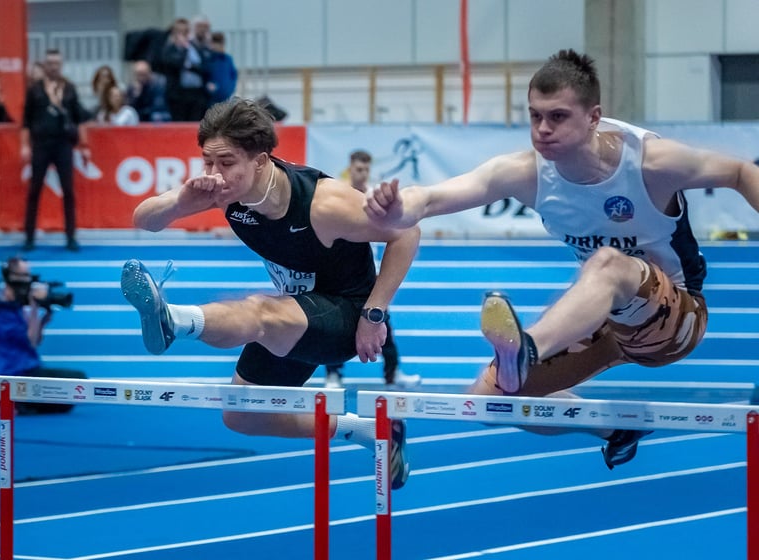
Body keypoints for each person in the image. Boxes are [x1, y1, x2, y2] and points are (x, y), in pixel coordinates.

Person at [365, 49, 759, 469]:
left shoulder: (650, 162)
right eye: (535, 116)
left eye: (557, 117)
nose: (543, 129)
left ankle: (527, 350)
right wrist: (395, 208)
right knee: (486, 402)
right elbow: (431, 198)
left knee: (608, 263)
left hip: (675, 318)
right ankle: (614, 430)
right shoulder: (526, 173)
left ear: (594, 117)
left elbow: (739, 172)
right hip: (607, 323)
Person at [121, 97, 420, 489]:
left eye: (226, 163)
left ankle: (174, 319)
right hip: (297, 317)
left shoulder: (323, 204)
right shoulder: (220, 189)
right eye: (207, 162)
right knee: (242, 414)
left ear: (261, 161)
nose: (214, 174)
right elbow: (144, 219)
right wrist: (181, 201)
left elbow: (407, 231)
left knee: (260, 312)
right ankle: (368, 431)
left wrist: (374, 313)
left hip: (345, 316)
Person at [324, 150, 421, 390]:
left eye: (366, 169)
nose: (362, 173)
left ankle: (393, 374)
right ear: (350, 167)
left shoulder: (372, 198)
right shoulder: (336, 195)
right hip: (340, 272)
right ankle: (333, 375)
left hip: (369, 272)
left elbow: (395, 234)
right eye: (358, 169)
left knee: (382, 324)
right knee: (332, 325)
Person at [0, 256, 86, 415]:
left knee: (70, 396)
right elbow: (31, 340)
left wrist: (43, 320)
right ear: (11, 277)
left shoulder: (17, 308)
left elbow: (36, 340)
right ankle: (10, 399)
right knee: (75, 382)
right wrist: (35, 306)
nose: (29, 280)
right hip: (15, 372)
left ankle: (14, 401)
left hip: (30, 368)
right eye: (25, 275)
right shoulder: (5, 314)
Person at [21, 48, 89, 252]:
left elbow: (80, 119)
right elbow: (26, 121)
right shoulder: (35, 90)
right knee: (34, 190)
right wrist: (24, 146)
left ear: (61, 65)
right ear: (45, 65)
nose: (53, 67)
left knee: (68, 190)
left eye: (57, 63)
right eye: (50, 63)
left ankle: (70, 237)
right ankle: (29, 236)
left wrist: (85, 146)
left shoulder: (68, 88)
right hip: (41, 144)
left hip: (63, 144)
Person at [159, 17, 213, 122]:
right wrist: (183, 48)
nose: (182, 35)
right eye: (179, 32)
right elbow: (175, 64)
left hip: (196, 94)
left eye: (185, 31)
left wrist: (190, 66)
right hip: (178, 95)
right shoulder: (169, 49)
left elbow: (204, 67)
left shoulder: (194, 47)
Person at [207, 31, 238, 106]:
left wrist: (230, 89)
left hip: (226, 98)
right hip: (211, 100)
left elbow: (233, 76)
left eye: (221, 43)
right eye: (216, 43)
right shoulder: (209, 59)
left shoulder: (228, 59)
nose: (219, 46)